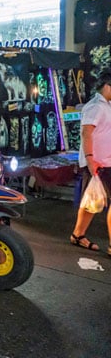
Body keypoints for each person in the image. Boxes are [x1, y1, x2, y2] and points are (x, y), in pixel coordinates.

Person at [70, 70, 111, 253]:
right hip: (98, 163)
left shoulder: (107, 106)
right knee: (91, 202)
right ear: (107, 86)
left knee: (91, 202)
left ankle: (77, 235)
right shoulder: (96, 106)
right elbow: (86, 133)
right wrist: (90, 160)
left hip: (107, 161)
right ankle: (78, 235)